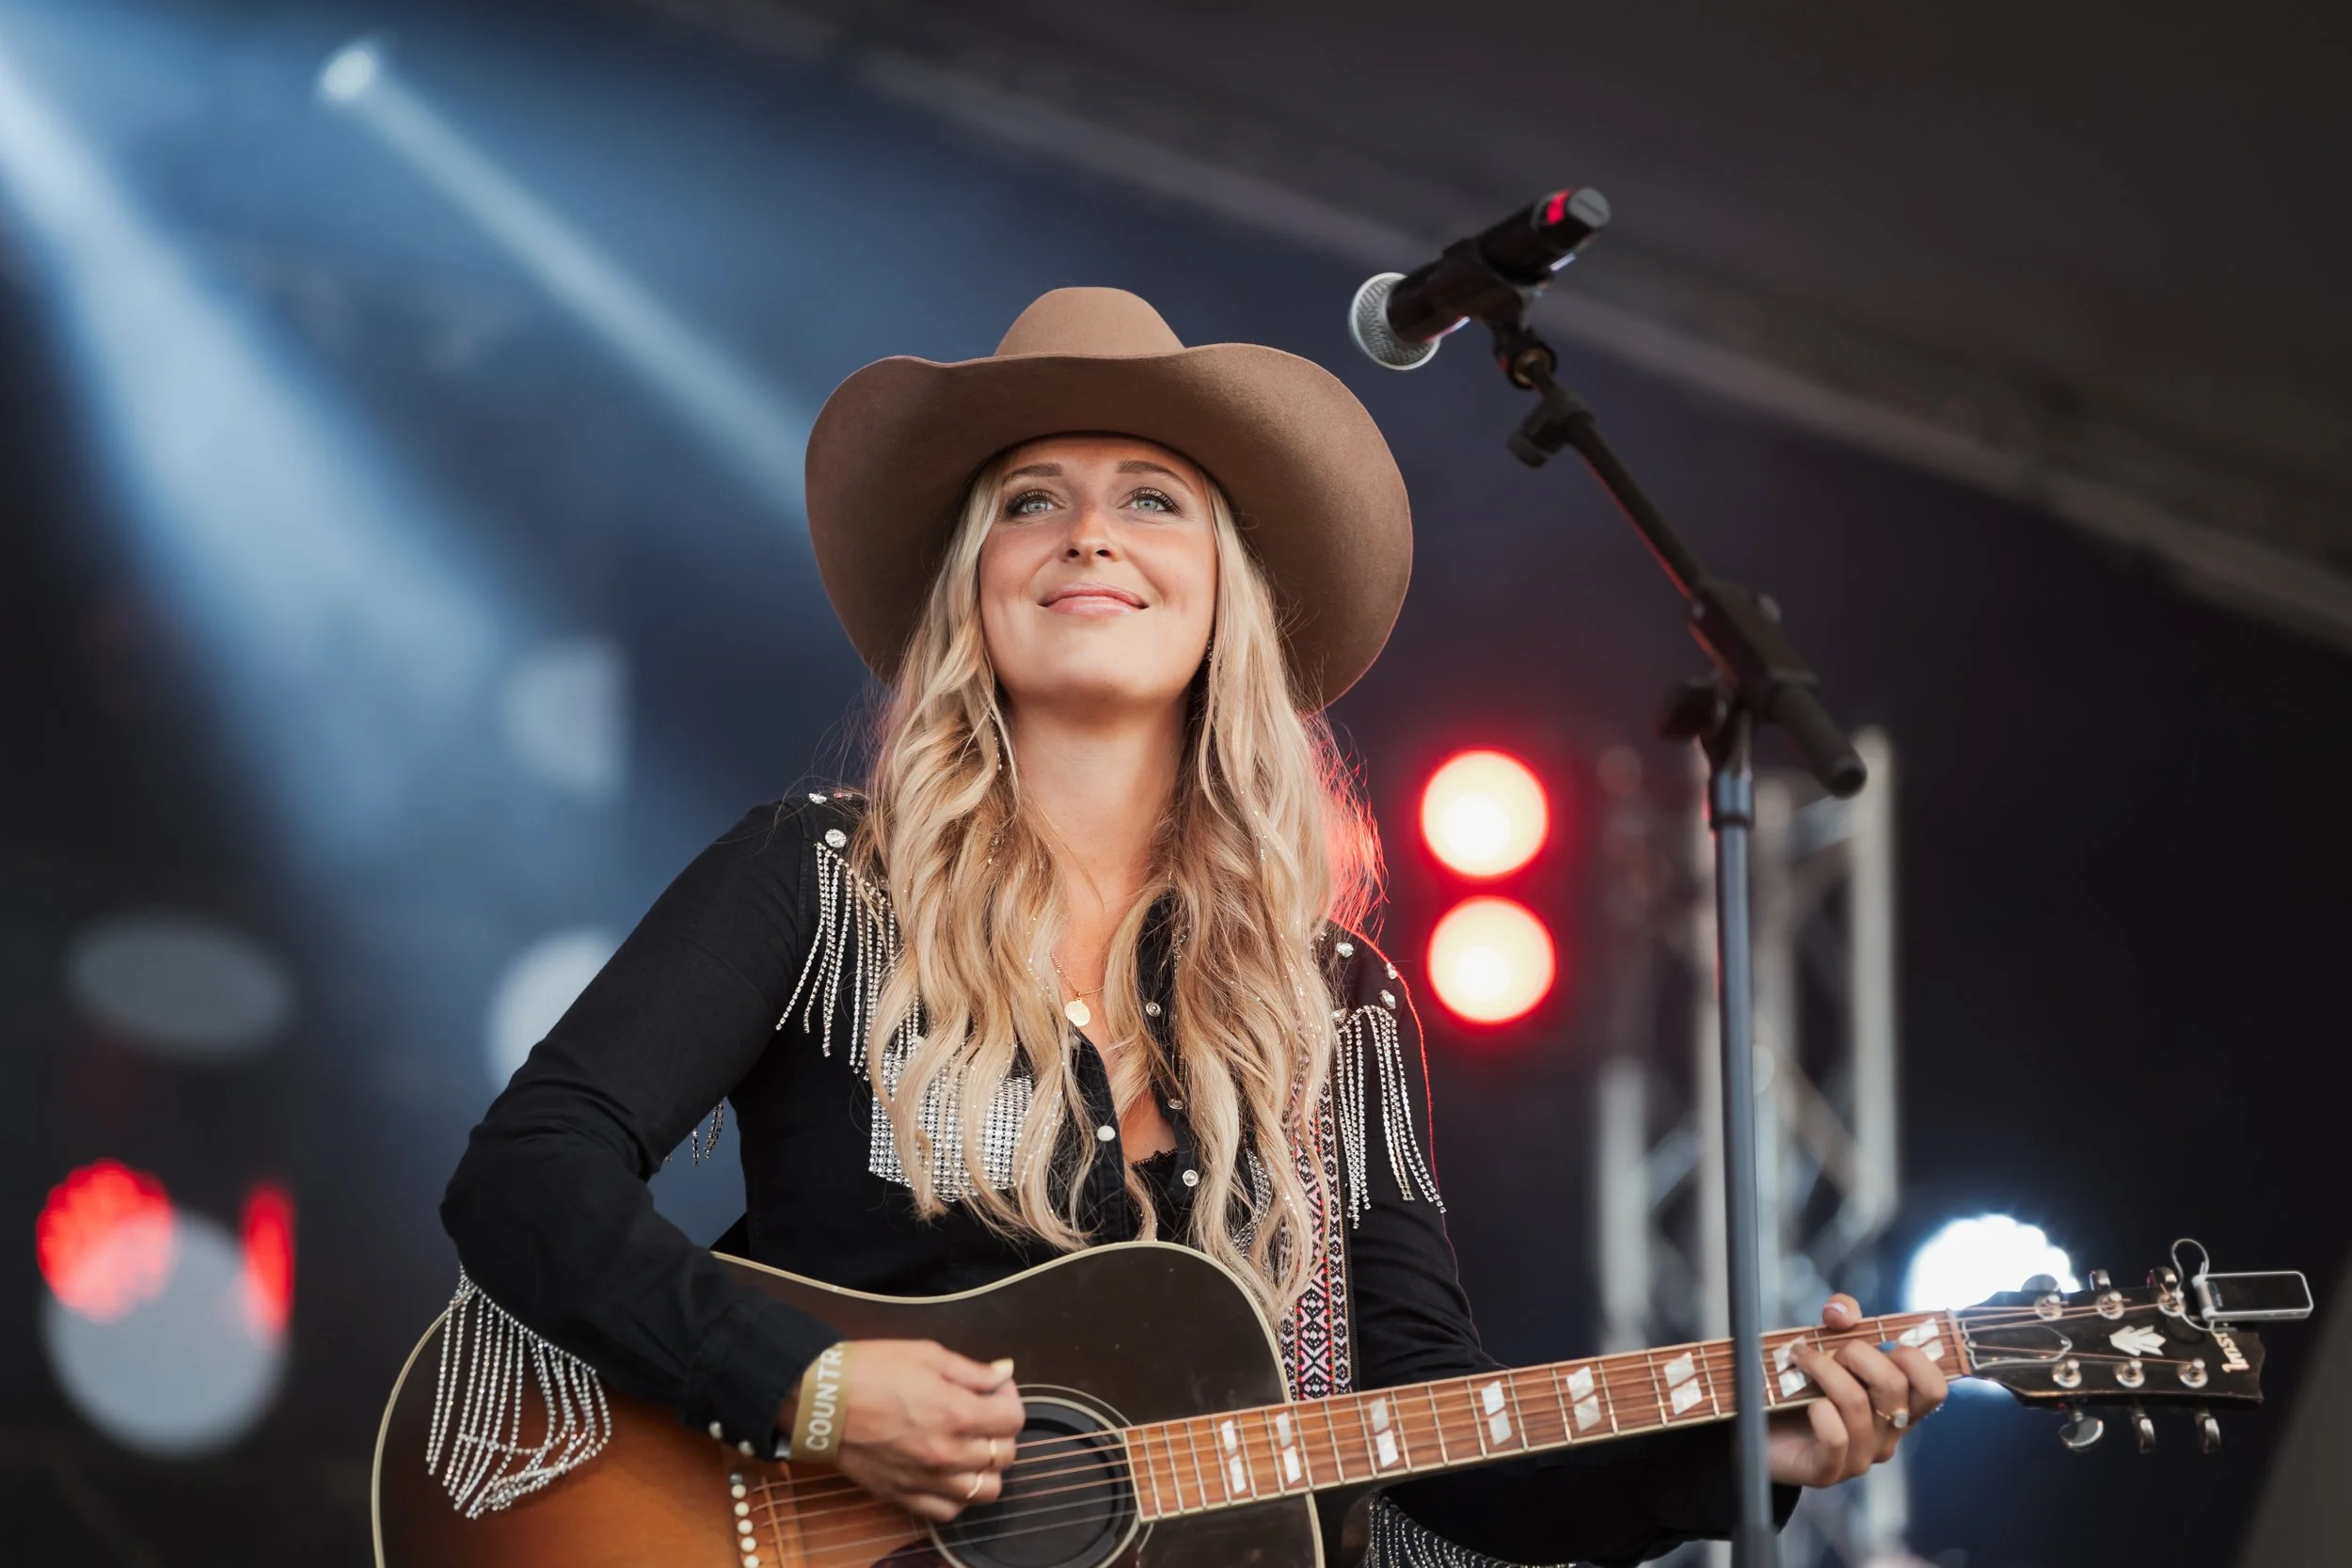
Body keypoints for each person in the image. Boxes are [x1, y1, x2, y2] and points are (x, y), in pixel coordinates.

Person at [437, 288, 1946, 1565]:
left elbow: (1430, 1431)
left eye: (1151, 498)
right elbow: (525, 1176)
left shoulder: (1333, 998)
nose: (1089, 533)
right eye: (1032, 501)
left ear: (1228, 593)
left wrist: (1751, 1455)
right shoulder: (819, 882)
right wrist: (813, 1387)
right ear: (976, 591)